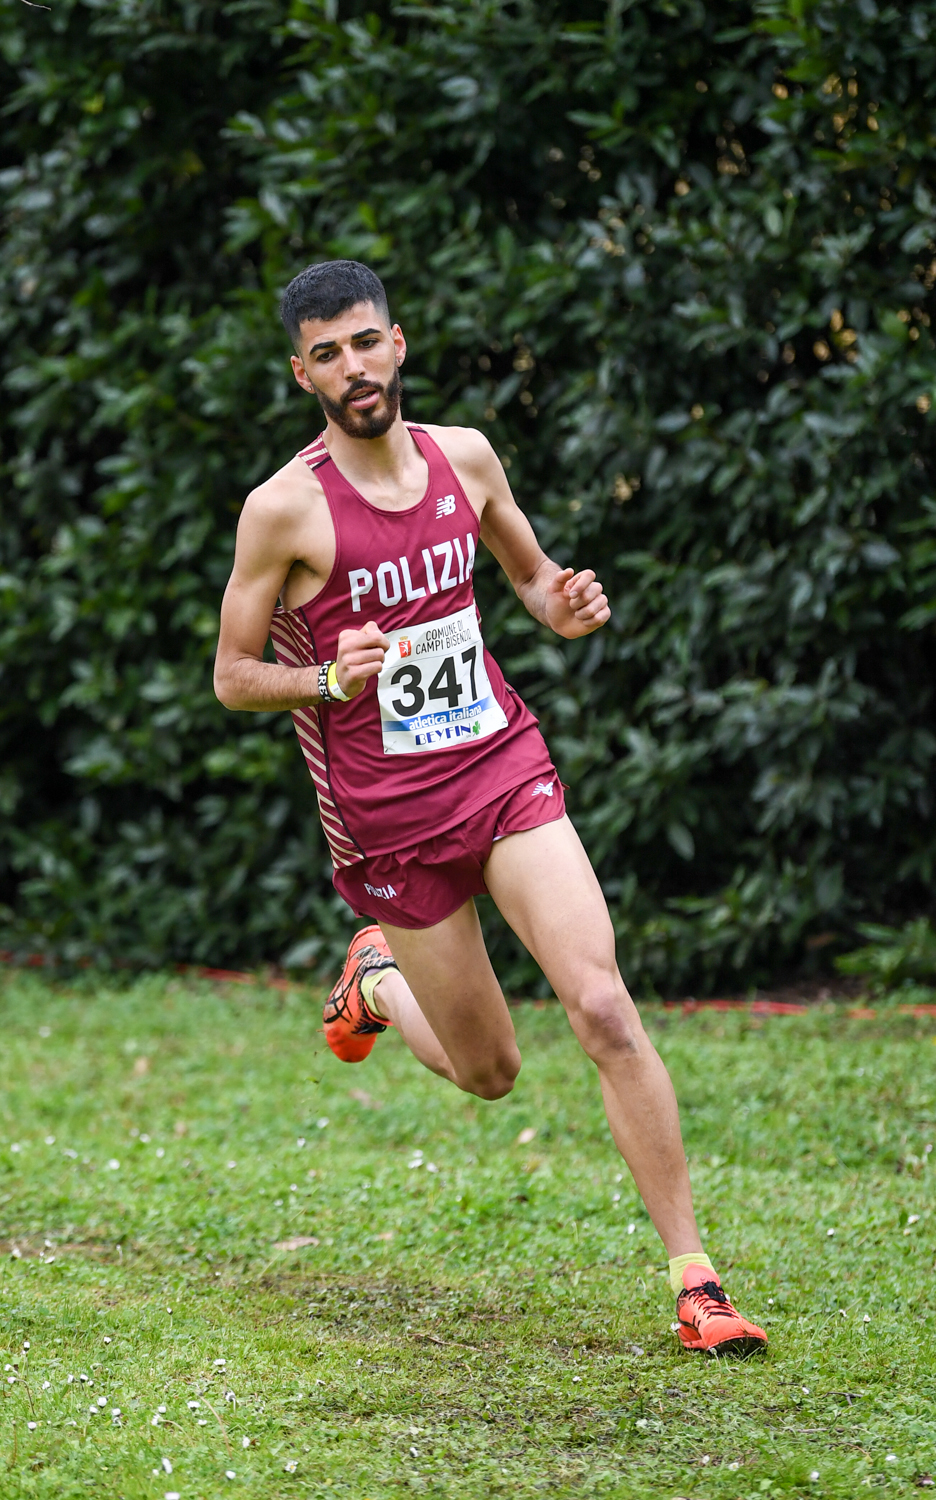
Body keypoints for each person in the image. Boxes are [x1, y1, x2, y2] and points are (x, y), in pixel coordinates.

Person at [213, 259, 766, 1357]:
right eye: (326, 354)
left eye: (364, 342)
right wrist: (325, 678)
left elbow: (532, 578)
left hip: (500, 766)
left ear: (397, 344)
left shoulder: (463, 457)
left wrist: (564, 603)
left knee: (602, 1006)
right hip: (388, 818)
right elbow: (232, 675)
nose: (352, 367)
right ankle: (378, 978)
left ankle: (696, 1283)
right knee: (490, 1072)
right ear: (301, 374)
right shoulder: (282, 511)